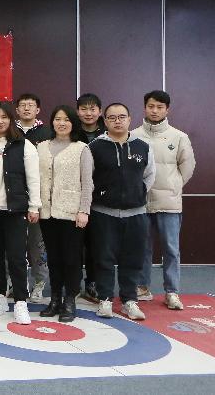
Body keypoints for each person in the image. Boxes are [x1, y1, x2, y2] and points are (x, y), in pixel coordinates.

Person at [90, 103, 156, 320]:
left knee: (133, 259)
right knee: (103, 258)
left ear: (129, 119)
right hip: (104, 213)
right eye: (112, 117)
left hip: (136, 213)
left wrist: (137, 193)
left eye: (121, 117)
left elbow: (149, 176)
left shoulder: (143, 146)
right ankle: (105, 299)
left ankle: (129, 301)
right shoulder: (95, 147)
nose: (117, 121)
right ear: (105, 121)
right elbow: (88, 178)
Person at [131, 90, 195, 310]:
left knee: (171, 249)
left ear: (167, 109)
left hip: (169, 203)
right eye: (151, 106)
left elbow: (187, 168)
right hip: (141, 203)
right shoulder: (133, 135)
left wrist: (173, 185)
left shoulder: (179, 137)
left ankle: (172, 292)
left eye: (159, 107)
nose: (155, 111)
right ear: (145, 108)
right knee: (142, 247)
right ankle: (142, 287)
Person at [0, 103, 41, 325]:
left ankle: (21, 301)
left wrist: (34, 206)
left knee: (16, 256)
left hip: (15, 210)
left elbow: (33, 178)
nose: (0, 121)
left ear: (11, 120)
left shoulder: (23, 145)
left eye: (4, 117)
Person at [37, 105, 93, 323]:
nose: (61, 123)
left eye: (66, 119)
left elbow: (87, 183)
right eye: (57, 119)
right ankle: (55, 299)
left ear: (73, 123)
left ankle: (70, 299)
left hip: (72, 213)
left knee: (71, 258)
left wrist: (84, 210)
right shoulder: (41, 147)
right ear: (52, 122)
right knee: (53, 258)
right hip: (47, 212)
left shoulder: (81, 149)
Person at [15, 93, 50, 303]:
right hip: (14, 196)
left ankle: (39, 284)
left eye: (31, 105)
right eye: (23, 105)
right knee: (13, 244)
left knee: (37, 244)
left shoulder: (47, 133)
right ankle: (14, 283)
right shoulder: (9, 130)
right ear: (17, 110)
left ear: (38, 110)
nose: (27, 108)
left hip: (39, 196)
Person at [76, 92, 106, 304]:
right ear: (78, 112)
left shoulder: (108, 132)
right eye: (84, 109)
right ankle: (73, 283)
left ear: (100, 111)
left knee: (97, 244)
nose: (88, 113)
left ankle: (93, 283)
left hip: (101, 197)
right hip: (75, 195)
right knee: (75, 244)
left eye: (92, 109)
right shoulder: (71, 131)